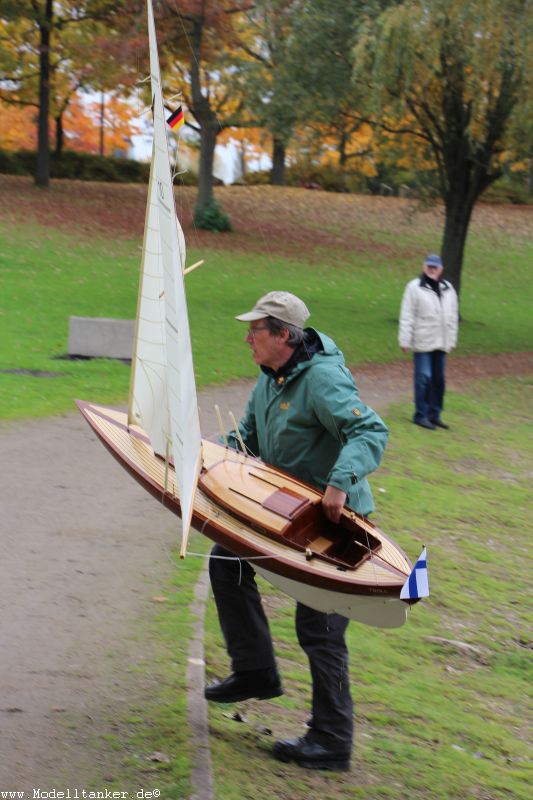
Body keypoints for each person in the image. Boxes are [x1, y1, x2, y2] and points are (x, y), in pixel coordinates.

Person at [205, 290, 388, 772]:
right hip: (282, 513)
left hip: (334, 523)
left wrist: (339, 483)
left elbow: (370, 432)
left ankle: (331, 741)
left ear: (284, 335)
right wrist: (209, 455)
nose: (247, 338)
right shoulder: (271, 378)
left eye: (256, 330)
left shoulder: (323, 379)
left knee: (319, 626)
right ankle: (255, 672)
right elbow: (246, 437)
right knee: (227, 560)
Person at [398, 254, 458, 430]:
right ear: (424, 267)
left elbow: (453, 316)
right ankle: (420, 415)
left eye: (435, 266)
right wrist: (404, 339)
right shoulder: (414, 288)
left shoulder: (448, 289)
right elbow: (407, 314)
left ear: (441, 269)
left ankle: (435, 415)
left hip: (442, 342)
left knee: (438, 380)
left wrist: (452, 340)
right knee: (424, 377)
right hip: (423, 341)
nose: (432, 269)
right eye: (429, 266)